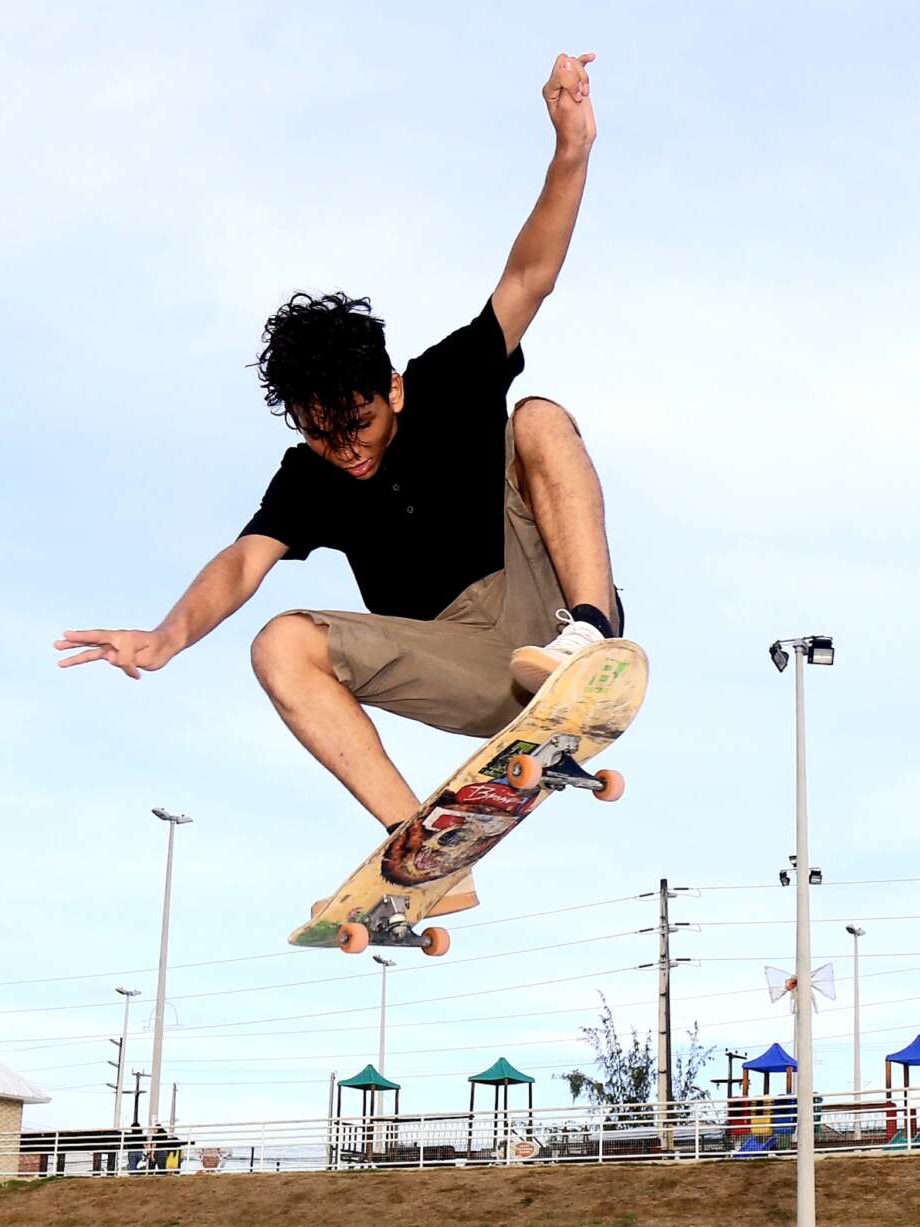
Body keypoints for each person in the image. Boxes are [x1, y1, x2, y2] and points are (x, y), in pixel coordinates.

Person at [58, 53, 618, 918]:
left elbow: (528, 277)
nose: (343, 450)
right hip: (466, 665)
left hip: (541, 612)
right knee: (278, 643)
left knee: (538, 417)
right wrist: (167, 638)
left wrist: (571, 149)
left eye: (355, 424)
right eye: (319, 434)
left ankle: (592, 636)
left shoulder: (448, 377)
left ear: (392, 389)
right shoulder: (310, 470)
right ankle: (427, 849)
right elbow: (244, 564)